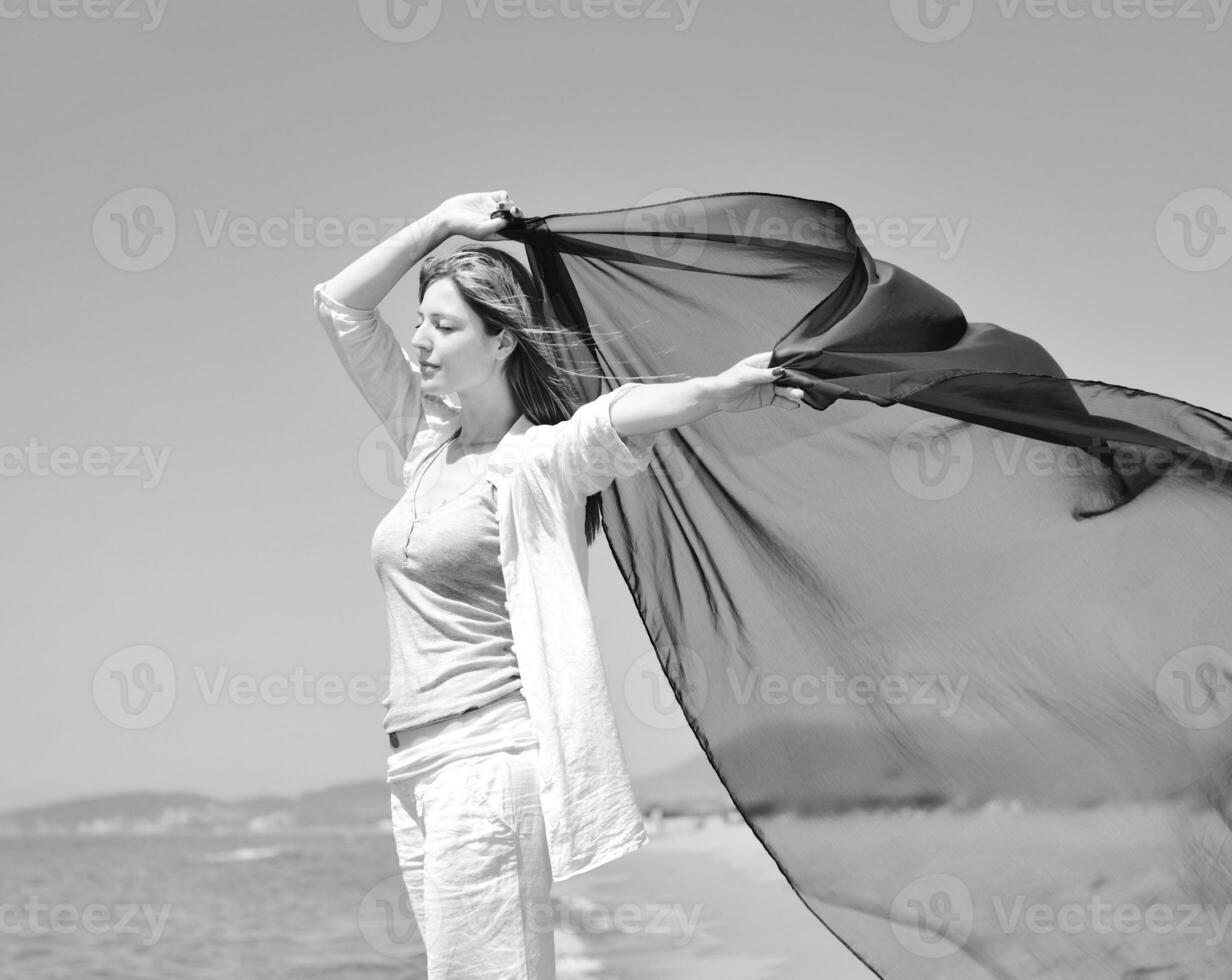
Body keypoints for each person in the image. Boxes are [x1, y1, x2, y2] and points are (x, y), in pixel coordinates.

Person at [312, 189, 806, 978]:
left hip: (490, 758)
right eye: (421, 323)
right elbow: (340, 306)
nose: (422, 342)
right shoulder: (426, 441)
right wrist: (438, 224)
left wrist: (717, 390)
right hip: (415, 769)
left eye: (445, 327)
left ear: (502, 342)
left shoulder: (534, 462)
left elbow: (609, 420)